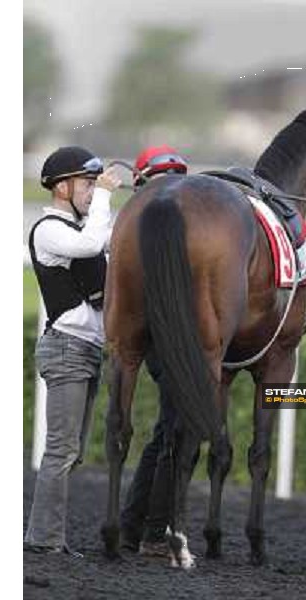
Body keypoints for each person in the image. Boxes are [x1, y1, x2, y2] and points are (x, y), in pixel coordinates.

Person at [24, 146, 123, 557]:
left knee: (71, 452)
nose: (90, 191)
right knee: (62, 450)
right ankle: (43, 539)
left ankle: (47, 537)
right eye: (85, 184)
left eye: (91, 184)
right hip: (66, 348)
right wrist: (104, 197)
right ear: (62, 188)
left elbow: (106, 245)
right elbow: (90, 245)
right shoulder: (50, 229)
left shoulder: (83, 226)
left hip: (85, 349)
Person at [118, 144, 194, 556]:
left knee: (166, 432)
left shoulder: (135, 221)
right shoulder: (146, 227)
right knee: (176, 433)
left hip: (157, 343)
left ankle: (133, 529)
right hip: (167, 343)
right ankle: (151, 534)